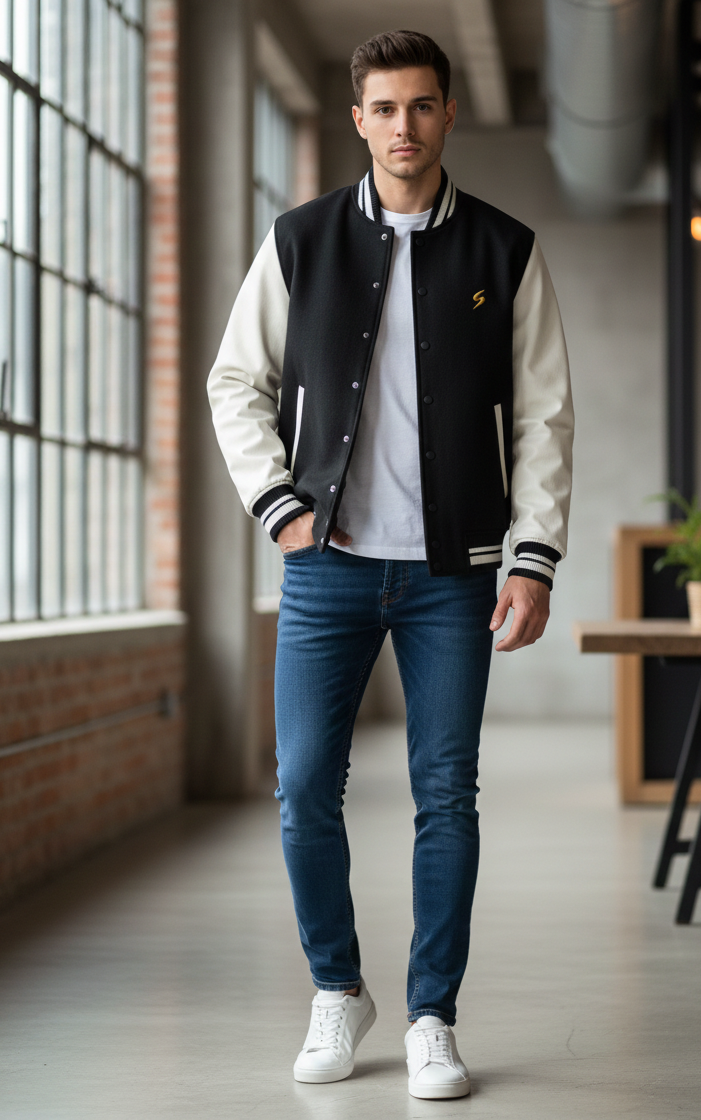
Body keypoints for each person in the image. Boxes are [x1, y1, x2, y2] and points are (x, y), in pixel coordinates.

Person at [207, 28, 573, 1100]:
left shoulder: (504, 250)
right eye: (383, 108)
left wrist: (533, 556)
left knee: (443, 793)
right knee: (304, 785)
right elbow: (236, 381)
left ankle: (430, 1014)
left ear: (448, 114)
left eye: (421, 106)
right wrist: (279, 507)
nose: (402, 127)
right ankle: (337, 987)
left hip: (455, 571)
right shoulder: (299, 241)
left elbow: (546, 415)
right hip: (326, 564)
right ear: (358, 117)